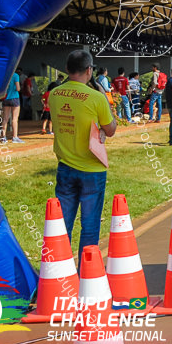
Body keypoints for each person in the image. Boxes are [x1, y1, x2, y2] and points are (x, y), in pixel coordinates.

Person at [51, 50, 117, 262]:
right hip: (92, 169)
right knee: (89, 226)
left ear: (67, 70)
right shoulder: (96, 98)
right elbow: (111, 129)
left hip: (65, 166)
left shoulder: (54, 94)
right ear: (89, 70)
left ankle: (61, 271)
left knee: (62, 225)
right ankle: (87, 273)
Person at [1, 68, 23, 143]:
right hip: (14, 98)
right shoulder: (15, 75)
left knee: (5, 118)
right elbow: (18, 88)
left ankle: (3, 137)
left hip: (6, 98)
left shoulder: (5, 75)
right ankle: (15, 137)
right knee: (14, 119)